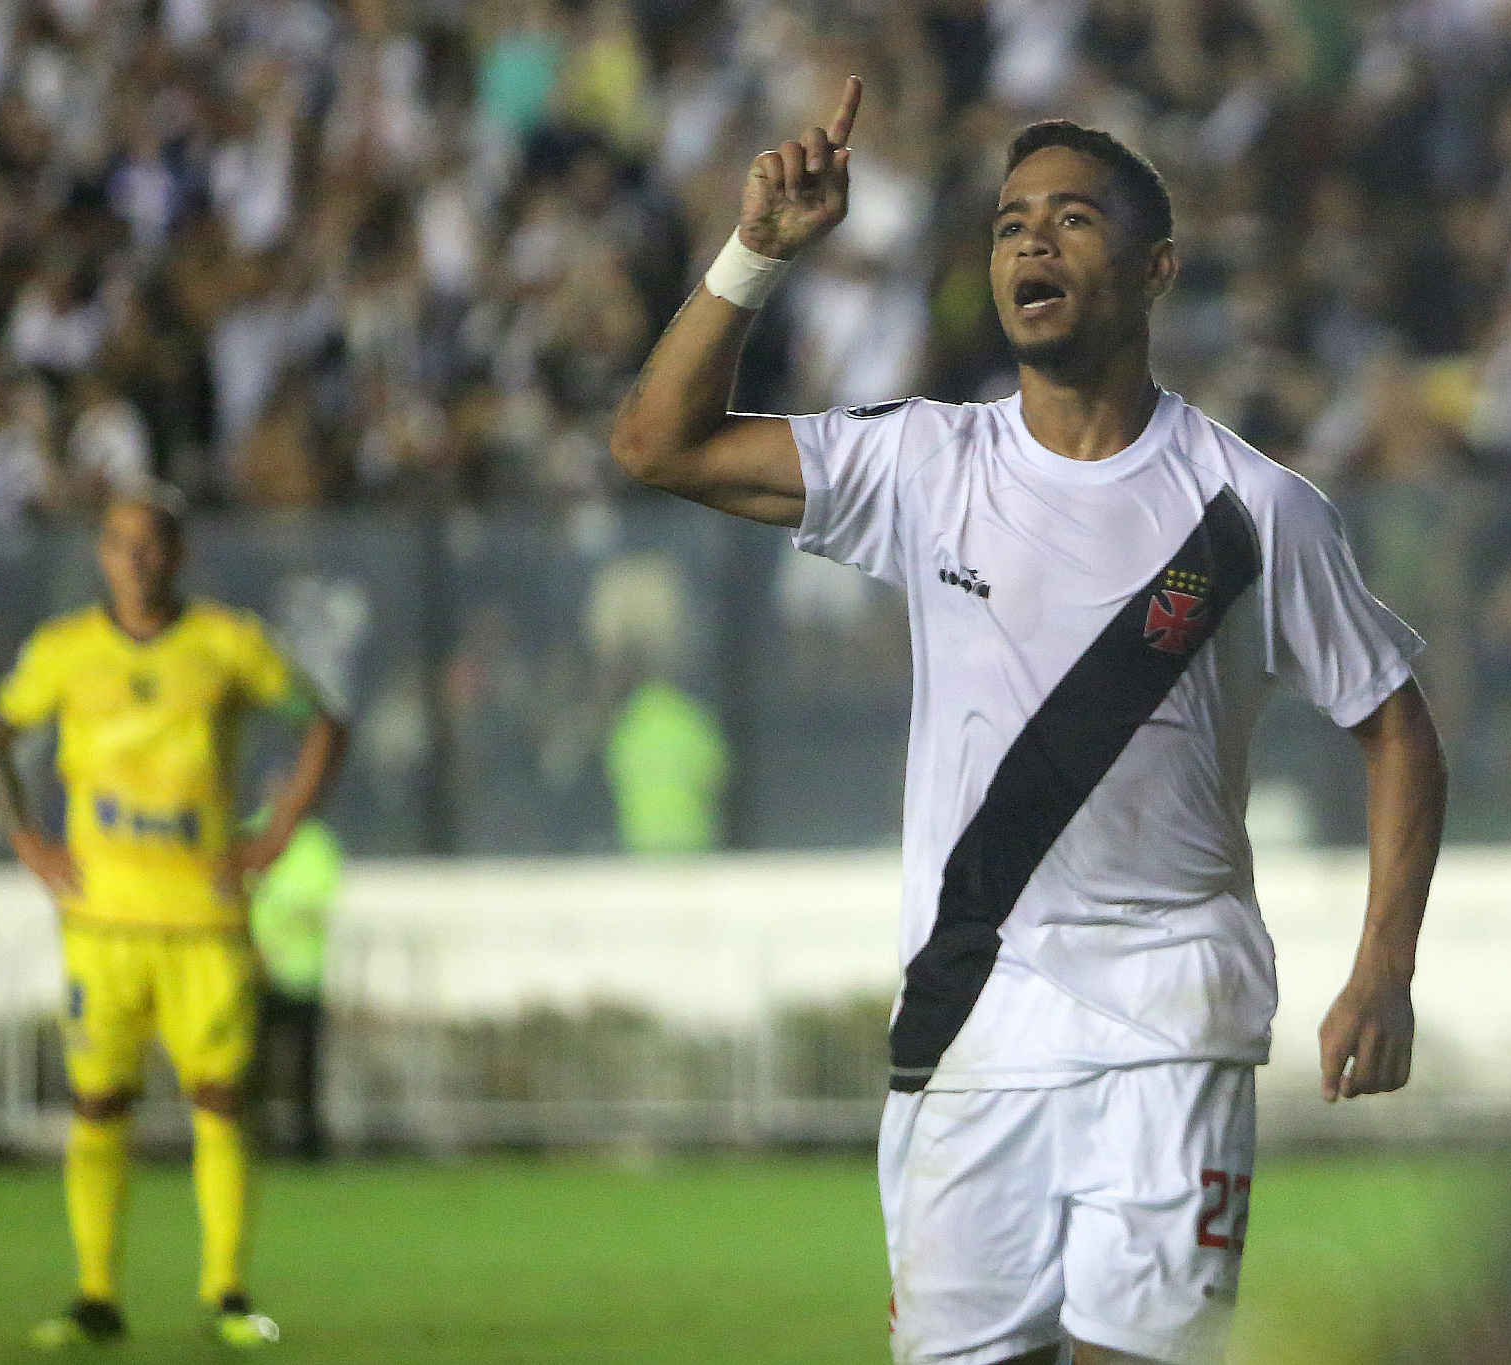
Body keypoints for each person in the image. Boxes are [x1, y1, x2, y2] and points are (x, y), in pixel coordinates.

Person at [610, 79, 1448, 1365]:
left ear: (1155, 268)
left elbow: (1394, 731)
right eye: (1008, 224)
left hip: (1170, 1016)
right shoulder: (925, 462)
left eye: (1070, 219)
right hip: (971, 1027)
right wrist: (757, 254)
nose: (1029, 244)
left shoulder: (1254, 510)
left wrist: (1382, 968)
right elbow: (657, 446)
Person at [0, 485, 347, 1350]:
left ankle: (227, 1293)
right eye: (118, 543)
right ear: (100, 554)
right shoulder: (65, 651)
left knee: (220, 1098)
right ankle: (96, 1295)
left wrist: (275, 834)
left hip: (203, 918)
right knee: (98, 1100)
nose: (135, 559)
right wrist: (28, 842)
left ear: (179, 554)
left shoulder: (229, 643)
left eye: (150, 544)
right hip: (101, 920)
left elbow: (323, 724)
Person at [247, 806, 344, 1160]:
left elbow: (321, 896)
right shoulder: (250, 831)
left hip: (302, 975)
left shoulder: (315, 842)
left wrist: (277, 905)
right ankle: (251, 1137)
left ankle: (306, 1141)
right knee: (251, 1064)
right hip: (256, 971)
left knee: (304, 1066)